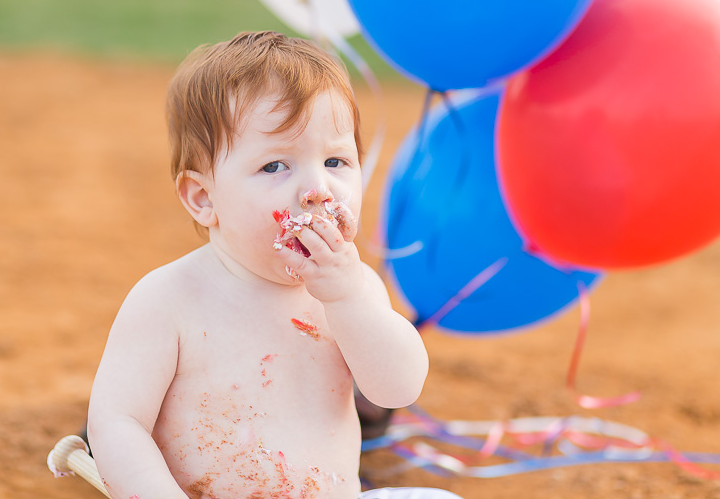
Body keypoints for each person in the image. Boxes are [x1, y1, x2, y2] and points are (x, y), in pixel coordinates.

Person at [87, 31, 461, 499]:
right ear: (204, 198)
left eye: (336, 161)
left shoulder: (354, 289)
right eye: (275, 166)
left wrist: (348, 300)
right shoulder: (168, 299)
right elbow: (117, 423)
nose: (317, 189)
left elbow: (397, 389)